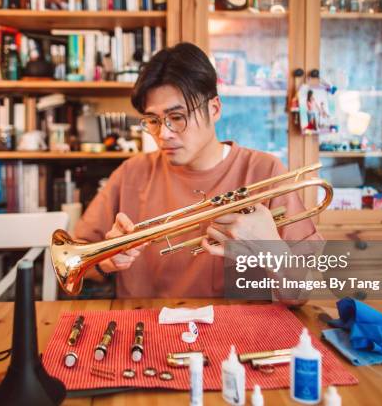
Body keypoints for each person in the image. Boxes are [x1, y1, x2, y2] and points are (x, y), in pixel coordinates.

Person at [74, 42, 322, 298]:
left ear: (214, 109)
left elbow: (309, 291)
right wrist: (107, 261)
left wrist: (272, 252)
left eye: (177, 117)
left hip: (239, 333)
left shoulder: (265, 171)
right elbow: (77, 259)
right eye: (153, 121)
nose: (164, 134)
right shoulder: (132, 173)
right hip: (146, 330)